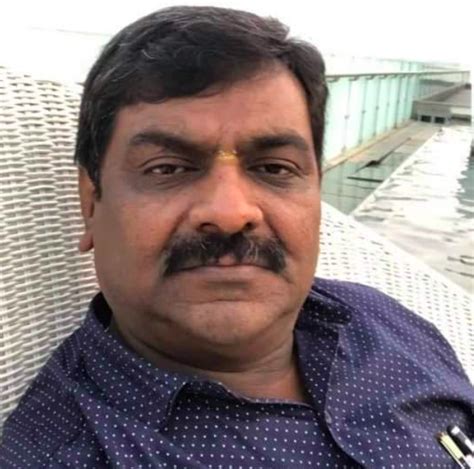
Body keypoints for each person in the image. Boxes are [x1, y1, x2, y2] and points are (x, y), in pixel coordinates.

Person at [0, 6, 473, 468]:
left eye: (274, 168)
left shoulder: (381, 320)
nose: (230, 213)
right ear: (90, 203)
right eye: (168, 168)